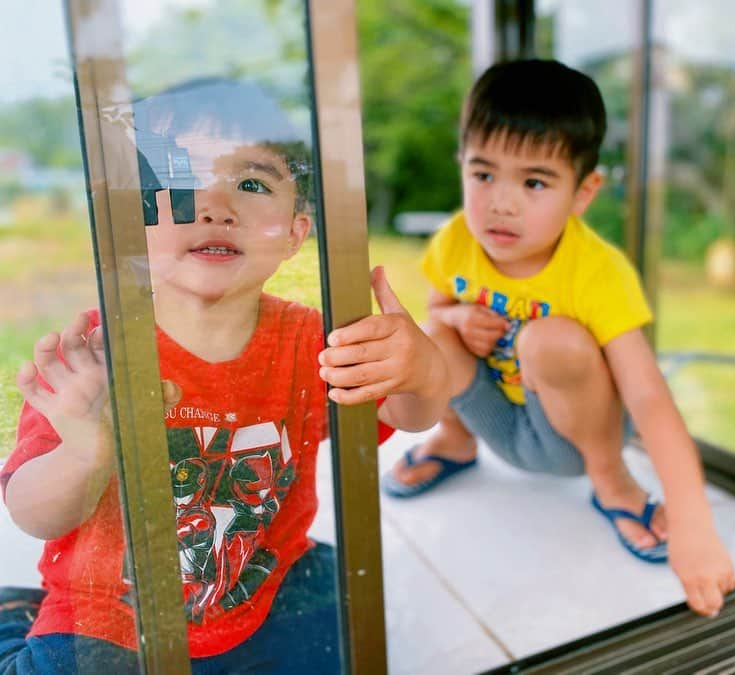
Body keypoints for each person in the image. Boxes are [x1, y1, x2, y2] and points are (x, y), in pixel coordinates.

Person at [0, 78, 448, 674]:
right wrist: (86, 451)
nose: (215, 206)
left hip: (262, 591)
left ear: (295, 232)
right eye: (179, 181)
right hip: (114, 617)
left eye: (252, 183)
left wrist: (423, 370)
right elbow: (33, 514)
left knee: (348, 617)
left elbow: (407, 415)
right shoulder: (98, 354)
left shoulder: (308, 342)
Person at [382, 59, 735, 617]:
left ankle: (613, 483)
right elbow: (437, 306)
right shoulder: (456, 240)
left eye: (534, 181)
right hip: (496, 418)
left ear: (583, 192)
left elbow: (647, 396)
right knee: (436, 334)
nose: (501, 201)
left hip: (574, 439)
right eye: (483, 174)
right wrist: (453, 320)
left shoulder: (597, 271)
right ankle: (453, 441)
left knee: (548, 340)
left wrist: (693, 522)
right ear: (462, 167)